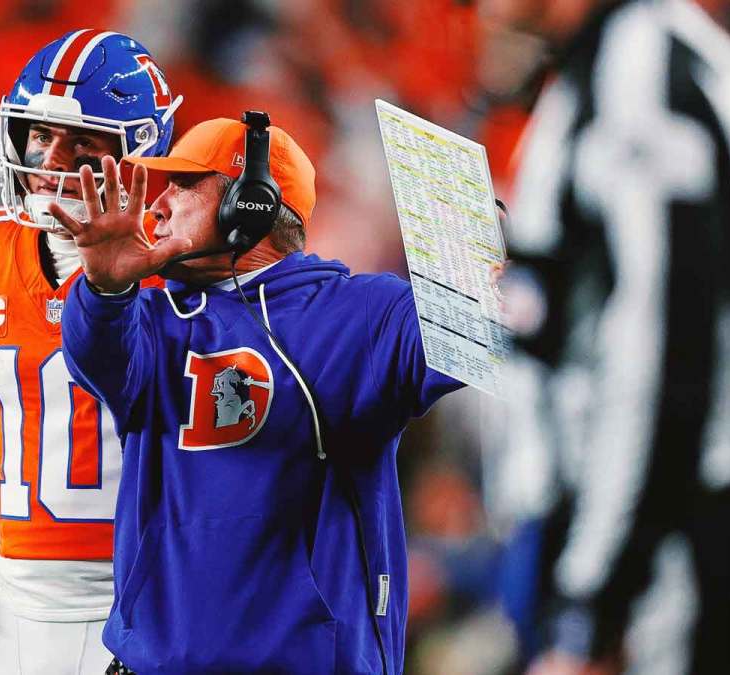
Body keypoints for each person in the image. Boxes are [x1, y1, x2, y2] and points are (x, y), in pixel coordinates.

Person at [52, 115, 466, 674]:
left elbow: (475, 332)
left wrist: (452, 196)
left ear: (249, 204)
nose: (158, 205)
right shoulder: (150, 318)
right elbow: (94, 353)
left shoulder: (360, 314)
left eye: (184, 185)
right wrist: (105, 288)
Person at [0, 29, 181, 674]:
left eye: (83, 142)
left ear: (140, 154)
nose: (50, 159)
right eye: (39, 135)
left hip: (152, 606)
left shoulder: (186, 266)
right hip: (20, 608)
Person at [479, 0, 730, 673]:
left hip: (661, 556)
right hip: (624, 534)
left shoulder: (639, 64)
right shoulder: (603, 68)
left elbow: (663, 346)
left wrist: (598, 604)